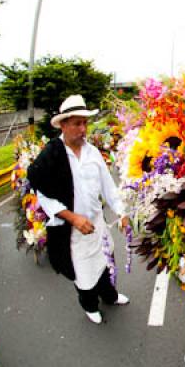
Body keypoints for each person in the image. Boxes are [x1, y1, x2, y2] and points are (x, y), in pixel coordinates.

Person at [28, 95, 130, 324]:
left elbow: (108, 187)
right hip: (72, 230)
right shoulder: (52, 156)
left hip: (97, 223)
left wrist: (122, 213)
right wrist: (73, 217)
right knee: (84, 272)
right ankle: (90, 305)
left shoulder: (92, 153)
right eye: (77, 123)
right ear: (63, 125)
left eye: (85, 123)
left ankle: (110, 296)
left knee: (105, 262)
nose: (83, 129)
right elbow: (43, 195)